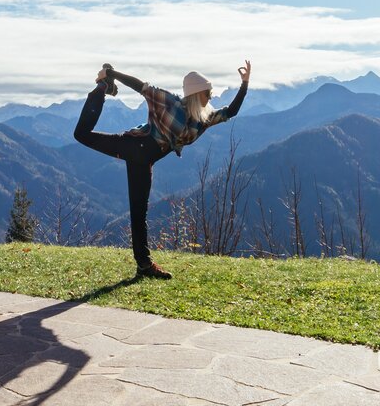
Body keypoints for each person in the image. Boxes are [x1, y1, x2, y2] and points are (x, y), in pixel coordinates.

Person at [73, 60, 251, 279]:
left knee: (139, 214)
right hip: (132, 146)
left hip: (145, 161)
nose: (211, 97)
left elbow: (230, 112)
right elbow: (141, 86)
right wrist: (111, 73)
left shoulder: (203, 119)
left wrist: (244, 84)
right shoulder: (170, 102)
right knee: (81, 134)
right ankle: (103, 87)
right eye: (208, 93)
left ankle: (144, 266)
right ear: (196, 94)